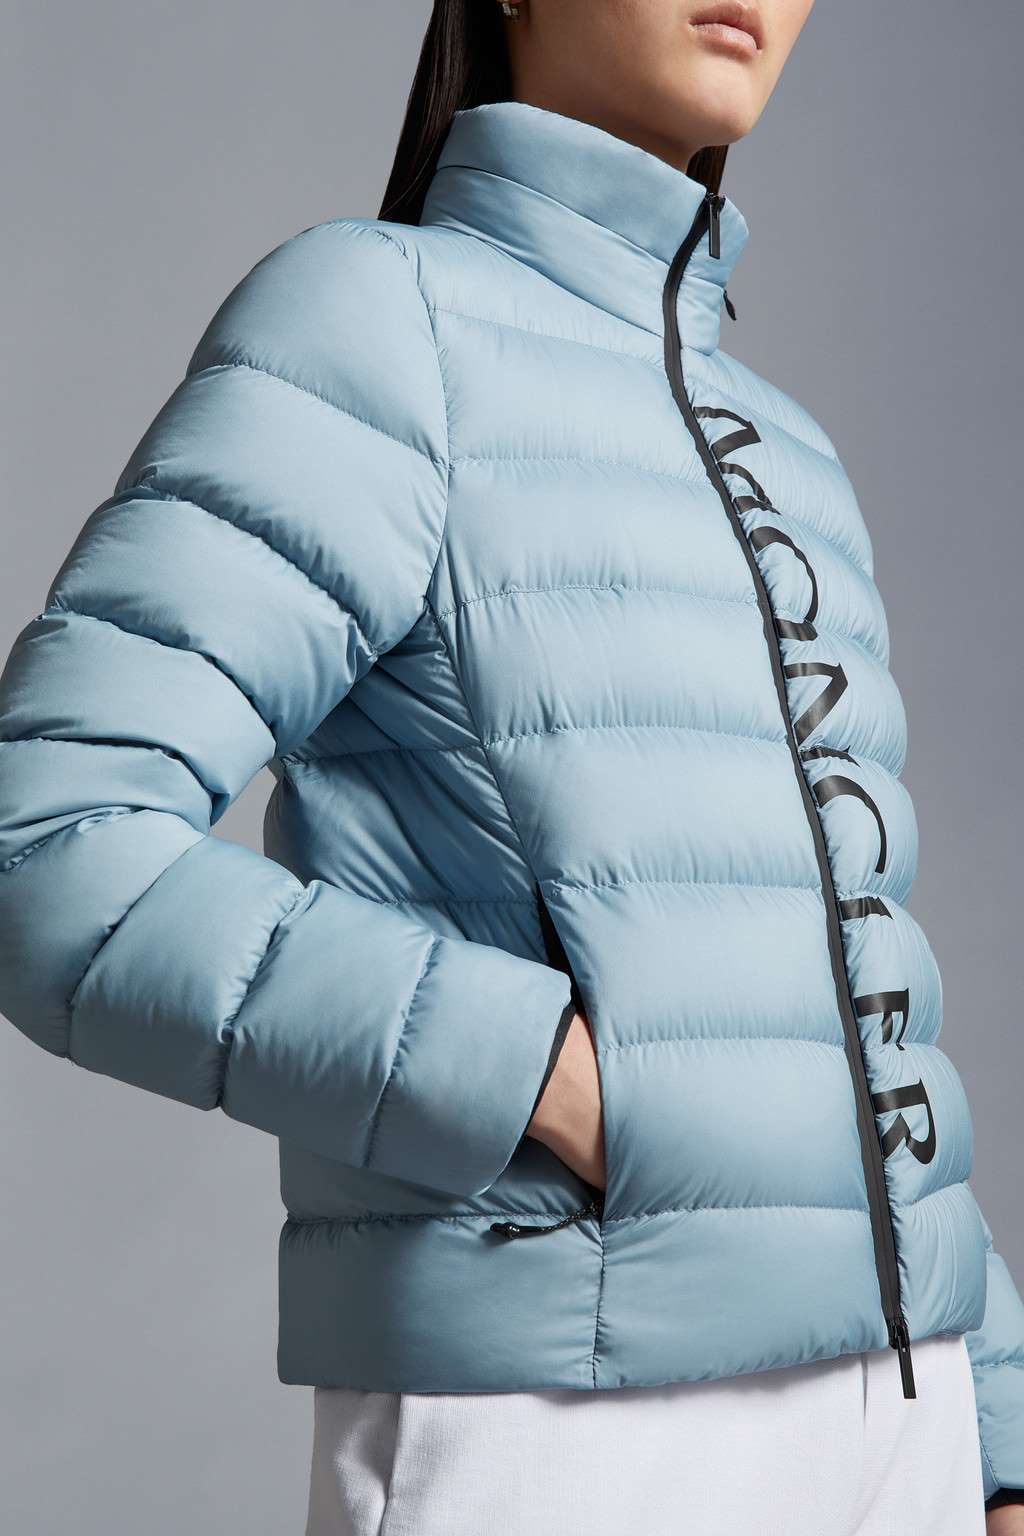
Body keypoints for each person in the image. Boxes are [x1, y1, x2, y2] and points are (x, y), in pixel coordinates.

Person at [1, 0, 1021, 1530]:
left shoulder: (792, 454)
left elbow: (864, 994)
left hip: (908, 1420)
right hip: (582, 1424)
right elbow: (50, 844)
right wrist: (540, 1078)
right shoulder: (376, 326)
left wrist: (996, 1422)